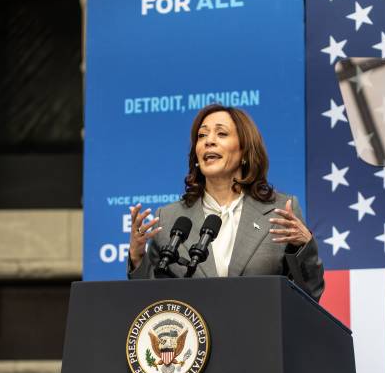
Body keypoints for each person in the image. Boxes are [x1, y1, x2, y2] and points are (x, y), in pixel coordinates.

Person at [127, 104, 324, 300]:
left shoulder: (280, 211)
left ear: (245, 151)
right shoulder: (169, 218)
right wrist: (137, 258)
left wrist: (304, 247)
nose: (208, 141)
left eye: (221, 134)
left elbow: (310, 295)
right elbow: (151, 304)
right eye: (202, 136)